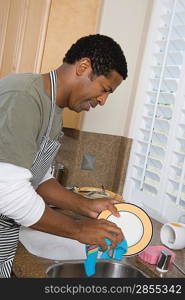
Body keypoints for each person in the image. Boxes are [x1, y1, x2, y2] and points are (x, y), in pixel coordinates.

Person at [0, 34, 128, 278]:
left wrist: (86, 206)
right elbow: (7, 191)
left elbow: (37, 175)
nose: (103, 100)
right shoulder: (23, 97)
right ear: (83, 67)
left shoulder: (52, 110)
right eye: (104, 89)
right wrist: (78, 230)